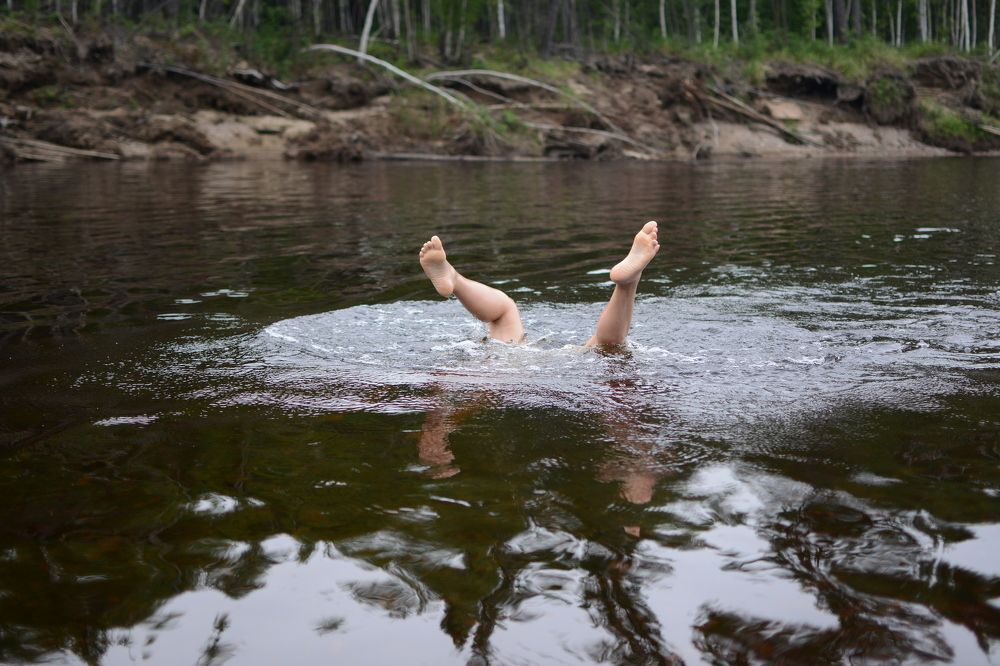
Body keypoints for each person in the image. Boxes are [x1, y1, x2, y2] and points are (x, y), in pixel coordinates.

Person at [418, 221, 660, 346]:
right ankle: (628, 283)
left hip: (509, 363)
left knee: (505, 308)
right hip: (544, 364)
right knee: (606, 345)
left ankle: (454, 278)